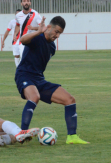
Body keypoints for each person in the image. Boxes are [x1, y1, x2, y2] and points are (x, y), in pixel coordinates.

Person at [15, 16, 89, 144]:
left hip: (39, 79)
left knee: (70, 100)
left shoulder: (52, 48)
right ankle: (23, 133)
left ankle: (72, 137)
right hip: (24, 75)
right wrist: (38, 31)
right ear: (48, 27)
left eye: (60, 33)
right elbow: (22, 39)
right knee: (34, 96)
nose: (58, 35)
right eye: (56, 31)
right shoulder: (37, 38)